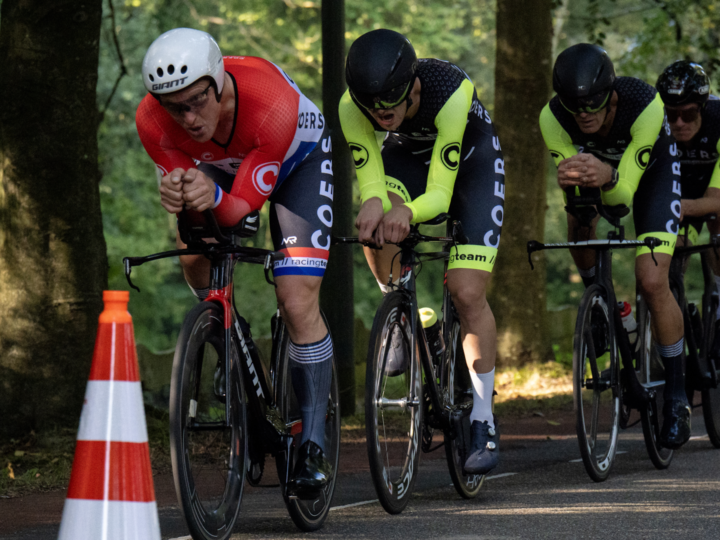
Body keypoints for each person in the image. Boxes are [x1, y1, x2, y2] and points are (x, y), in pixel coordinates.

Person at [135, 28, 334, 496]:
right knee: (195, 257)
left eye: (197, 101)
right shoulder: (151, 120)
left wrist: (215, 196)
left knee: (295, 296)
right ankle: (229, 337)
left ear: (218, 82)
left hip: (293, 161)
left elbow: (238, 209)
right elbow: (192, 205)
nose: (187, 117)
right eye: (174, 107)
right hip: (220, 165)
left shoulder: (270, 101)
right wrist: (177, 191)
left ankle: (314, 443)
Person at [339, 29, 506, 474]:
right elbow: (372, 185)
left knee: (468, 292)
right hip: (407, 157)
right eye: (371, 105)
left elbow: (439, 193)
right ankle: (404, 312)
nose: (381, 111)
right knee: (375, 225)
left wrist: (410, 212)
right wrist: (377, 206)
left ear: (413, 84)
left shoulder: (449, 92)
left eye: (392, 99)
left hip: (469, 164)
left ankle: (484, 418)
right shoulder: (350, 108)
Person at [539, 43, 689, 449]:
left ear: (613, 96)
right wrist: (582, 179)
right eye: (575, 105)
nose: (584, 112)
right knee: (578, 220)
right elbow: (580, 192)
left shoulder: (645, 105)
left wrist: (606, 176)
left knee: (652, 280)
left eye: (594, 102)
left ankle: (676, 395)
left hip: (650, 178)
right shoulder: (552, 118)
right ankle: (603, 304)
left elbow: (622, 198)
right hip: (599, 176)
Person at [656, 61, 720, 351]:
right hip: (679, 191)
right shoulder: (653, 124)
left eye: (689, 113)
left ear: (703, 108)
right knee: (672, 251)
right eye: (671, 114)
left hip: (713, 186)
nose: (679, 123)